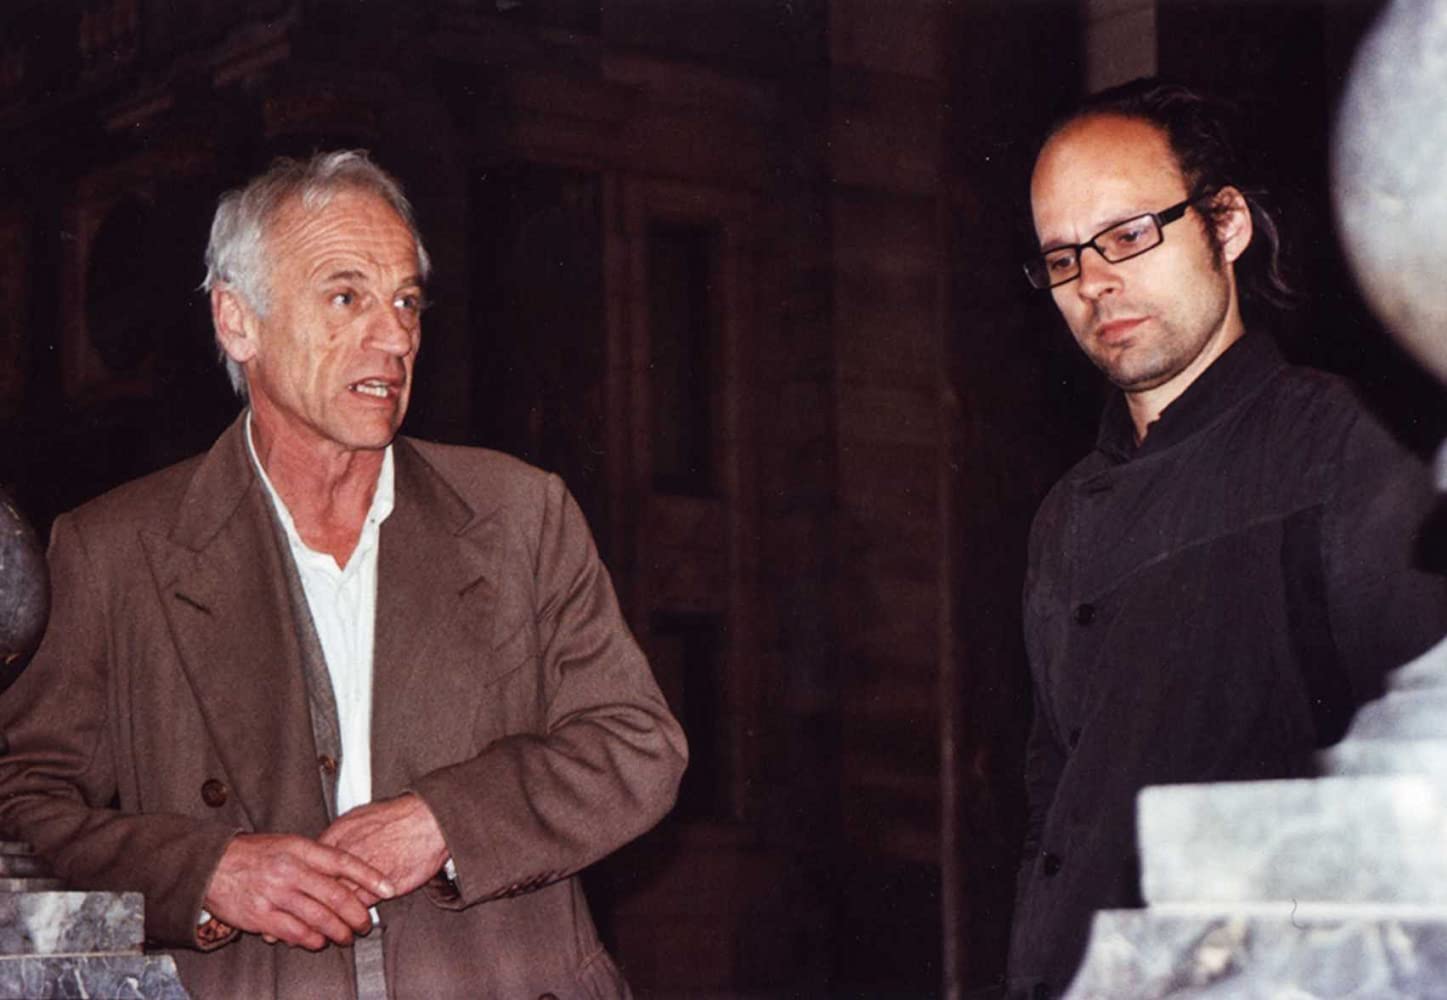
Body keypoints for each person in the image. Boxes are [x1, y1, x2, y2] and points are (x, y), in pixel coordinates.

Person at [0, 150, 687, 999]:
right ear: (237, 322)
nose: (395, 338)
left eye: (406, 301)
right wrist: (205, 874)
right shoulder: (115, 550)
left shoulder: (518, 515)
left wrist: (444, 822)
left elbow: (637, 744)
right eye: (345, 297)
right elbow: (23, 805)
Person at [1007, 79, 1447, 998]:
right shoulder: (1059, 516)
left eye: (1129, 234)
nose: (1093, 281)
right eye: (1061, 257)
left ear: (1226, 225)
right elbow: (1056, 810)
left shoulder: (1341, 450)